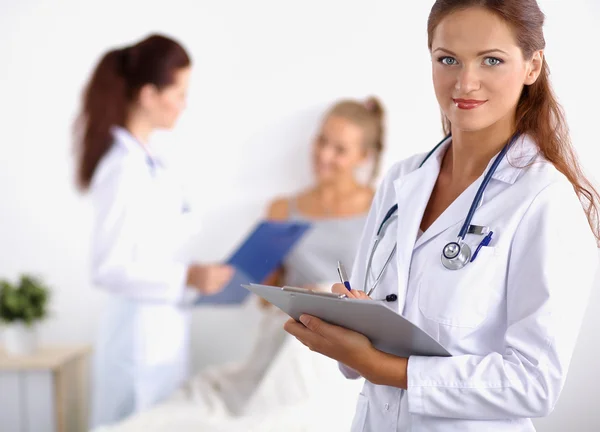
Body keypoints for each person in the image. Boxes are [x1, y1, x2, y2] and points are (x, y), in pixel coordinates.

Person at [284, 1, 600, 431]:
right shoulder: (403, 179)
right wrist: (353, 323)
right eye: (447, 59)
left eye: (491, 60)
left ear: (532, 65)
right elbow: (364, 351)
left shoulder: (544, 200)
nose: (465, 82)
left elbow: (535, 382)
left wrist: (385, 367)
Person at [89, 96, 386, 432]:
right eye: (321, 141)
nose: (323, 155)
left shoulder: (381, 210)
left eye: (339, 149)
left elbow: (384, 292)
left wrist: (325, 295)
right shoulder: (282, 208)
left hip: (339, 341)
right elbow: (264, 298)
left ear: (363, 156)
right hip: (288, 332)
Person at [74, 34, 234, 428]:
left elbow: (152, 248)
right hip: (136, 344)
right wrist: (188, 276)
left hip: (160, 332)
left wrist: (192, 273)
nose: (184, 104)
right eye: (178, 93)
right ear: (148, 95)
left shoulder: (150, 161)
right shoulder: (122, 169)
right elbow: (107, 268)